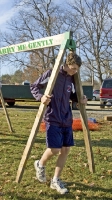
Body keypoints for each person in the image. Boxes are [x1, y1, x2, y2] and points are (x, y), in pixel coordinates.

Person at [30, 52, 87, 194]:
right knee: (55, 149)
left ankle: (55, 180)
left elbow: (74, 96)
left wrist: (82, 99)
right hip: (52, 117)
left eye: (77, 69)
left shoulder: (72, 78)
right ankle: (40, 163)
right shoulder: (52, 73)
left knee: (66, 149)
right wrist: (41, 97)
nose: (75, 71)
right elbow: (34, 87)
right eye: (73, 68)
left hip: (66, 118)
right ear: (67, 64)